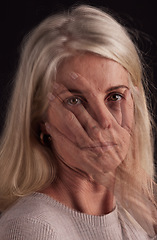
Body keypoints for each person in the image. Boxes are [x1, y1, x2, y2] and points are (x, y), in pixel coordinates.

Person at [0, 4, 157, 240]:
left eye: (114, 96)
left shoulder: (139, 215)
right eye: (75, 100)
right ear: (41, 118)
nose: (102, 121)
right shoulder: (32, 227)